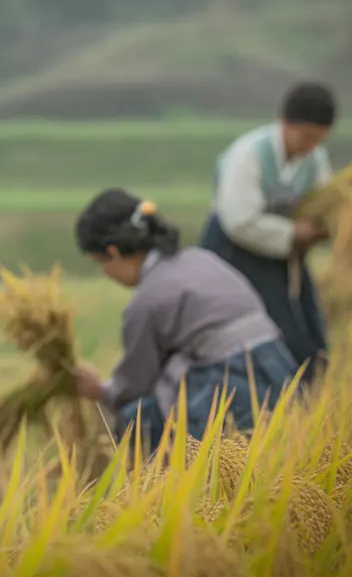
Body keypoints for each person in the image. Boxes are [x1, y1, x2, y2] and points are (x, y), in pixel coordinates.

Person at [71, 189, 300, 453]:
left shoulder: (146, 301)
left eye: (99, 262)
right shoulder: (202, 259)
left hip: (234, 386)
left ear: (112, 253)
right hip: (280, 369)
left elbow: (134, 385)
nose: (105, 273)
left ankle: (161, 490)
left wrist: (100, 390)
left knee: (138, 421)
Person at [197, 82, 337, 387]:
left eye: (319, 139)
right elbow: (240, 221)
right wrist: (295, 232)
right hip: (233, 251)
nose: (311, 146)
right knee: (248, 329)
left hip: (282, 253)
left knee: (303, 324)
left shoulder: (316, 160)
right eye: (307, 137)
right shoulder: (248, 154)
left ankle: (303, 392)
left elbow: (324, 201)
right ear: (285, 123)